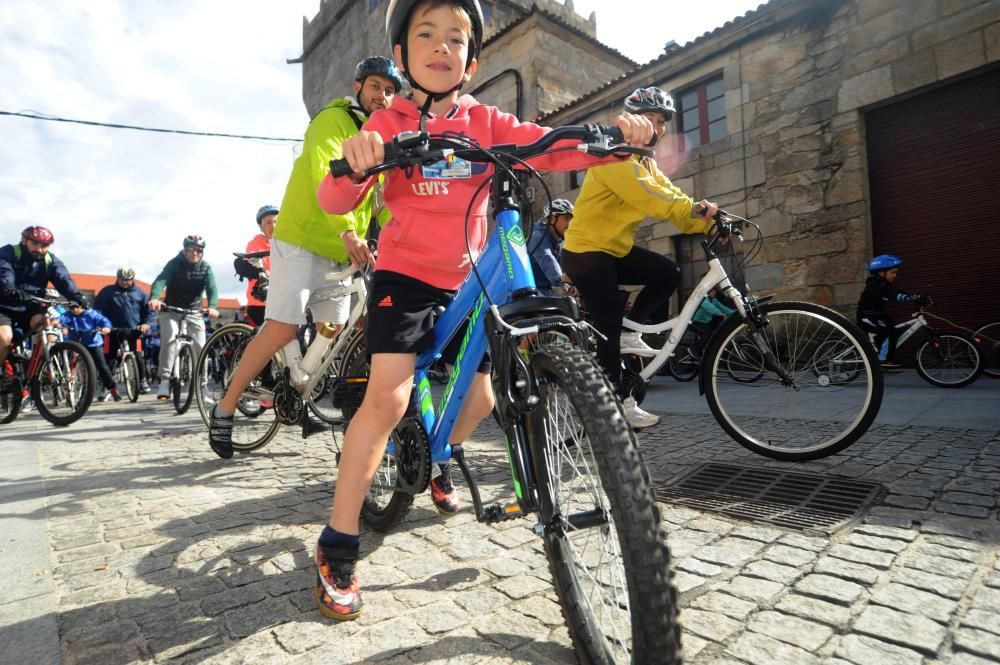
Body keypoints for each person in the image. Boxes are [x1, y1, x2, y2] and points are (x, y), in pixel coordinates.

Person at [313, 0, 654, 621]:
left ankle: (441, 456)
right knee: (389, 398)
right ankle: (337, 542)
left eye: (456, 38)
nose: (442, 47)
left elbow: (549, 147)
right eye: (426, 36)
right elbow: (335, 197)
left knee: (484, 395)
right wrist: (358, 160)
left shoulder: (487, 122)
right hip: (406, 274)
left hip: (469, 273)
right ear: (401, 56)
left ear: (471, 59)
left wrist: (613, 140)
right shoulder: (385, 125)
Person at [206, 56, 404, 459]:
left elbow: (384, 201)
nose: (382, 96)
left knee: (334, 330)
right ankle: (225, 407)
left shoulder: (382, 142)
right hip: (302, 240)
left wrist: (404, 236)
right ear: (358, 88)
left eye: (389, 90)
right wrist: (349, 229)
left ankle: (299, 388)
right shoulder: (331, 122)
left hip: (338, 251)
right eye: (375, 87)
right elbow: (324, 173)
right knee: (281, 329)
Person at [561, 86, 720, 429]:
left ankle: (633, 333)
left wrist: (708, 220)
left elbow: (670, 193)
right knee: (608, 326)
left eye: (661, 121)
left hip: (612, 249)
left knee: (669, 273)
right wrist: (690, 210)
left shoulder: (645, 161)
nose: (657, 126)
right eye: (649, 118)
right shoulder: (614, 155)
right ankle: (617, 406)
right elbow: (650, 198)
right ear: (631, 119)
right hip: (586, 250)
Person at [0, 227, 87, 378]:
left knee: (48, 330)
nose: (39, 249)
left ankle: (39, 371)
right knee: (4, 338)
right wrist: (9, 288)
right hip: (5, 304)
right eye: (35, 243)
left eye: (44, 245)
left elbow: (63, 279)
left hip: (32, 304)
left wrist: (77, 297)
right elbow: (4, 272)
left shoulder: (50, 260)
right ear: (24, 240)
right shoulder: (8, 253)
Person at [149, 235, 220, 401]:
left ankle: (203, 387)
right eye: (192, 249)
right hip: (171, 309)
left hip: (194, 311)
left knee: (202, 346)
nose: (196, 253)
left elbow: (212, 288)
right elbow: (161, 280)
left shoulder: (205, 267)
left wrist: (213, 306)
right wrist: (154, 297)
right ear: (185, 249)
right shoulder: (174, 263)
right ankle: (165, 381)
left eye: (199, 250)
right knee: (169, 339)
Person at [856, 254, 928, 370]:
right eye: (893, 272)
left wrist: (916, 296)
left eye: (896, 272)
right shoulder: (874, 284)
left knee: (895, 331)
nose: (895, 275)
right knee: (889, 332)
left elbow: (897, 291)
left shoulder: (885, 284)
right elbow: (892, 294)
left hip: (877, 316)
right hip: (866, 317)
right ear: (881, 272)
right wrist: (907, 298)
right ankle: (883, 359)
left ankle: (882, 354)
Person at [93, 267, 155, 393]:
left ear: (132, 279)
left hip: (134, 330)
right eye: (123, 279)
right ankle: (107, 386)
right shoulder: (107, 292)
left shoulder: (141, 293)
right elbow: (98, 310)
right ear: (118, 278)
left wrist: (147, 324)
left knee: (138, 355)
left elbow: (149, 311)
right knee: (109, 357)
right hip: (112, 331)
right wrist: (101, 324)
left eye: (128, 280)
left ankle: (142, 381)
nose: (125, 282)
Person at [60, 301, 120, 401]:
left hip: (93, 344)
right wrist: (58, 324)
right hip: (76, 343)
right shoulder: (68, 314)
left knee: (102, 367)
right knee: (69, 364)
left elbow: (104, 321)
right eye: (71, 308)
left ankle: (112, 388)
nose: (74, 310)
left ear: (82, 307)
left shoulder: (92, 314)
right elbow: (60, 319)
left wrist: (106, 328)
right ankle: (68, 386)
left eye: (76, 307)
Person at [527, 198, 575, 296]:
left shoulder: (557, 243)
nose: (570, 224)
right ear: (552, 219)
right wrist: (566, 284)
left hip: (544, 292)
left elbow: (567, 267)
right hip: (529, 293)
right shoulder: (538, 237)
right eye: (566, 218)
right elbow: (550, 263)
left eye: (572, 219)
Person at [242, 205, 277, 327]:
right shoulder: (254, 245)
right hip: (260, 303)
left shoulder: (285, 245)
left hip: (281, 300)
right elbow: (254, 263)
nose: (273, 225)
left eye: (276, 221)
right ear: (261, 226)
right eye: (268, 222)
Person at [687, 282, 735, 358]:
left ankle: (704, 354)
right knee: (708, 333)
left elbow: (723, 308)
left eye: (714, 290)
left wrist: (736, 313)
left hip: (703, 323)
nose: (713, 292)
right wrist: (720, 313)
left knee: (712, 335)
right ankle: (694, 349)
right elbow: (709, 307)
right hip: (693, 322)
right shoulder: (703, 299)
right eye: (711, 290)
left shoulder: (713, 300)